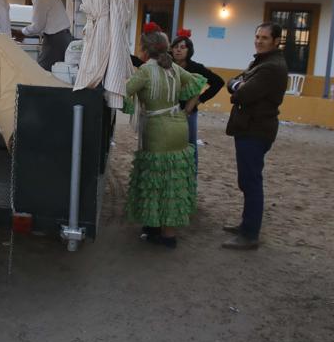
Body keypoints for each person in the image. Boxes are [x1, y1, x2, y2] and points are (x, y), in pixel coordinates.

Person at [123, 25, 207, 248]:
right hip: (179, 125)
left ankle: (152, 228)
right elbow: (198, 84)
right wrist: (187, 110)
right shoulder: (174, 69)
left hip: (157, 130)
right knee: (173, 180)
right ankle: (169, 235)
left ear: (144, 48)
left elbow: (123, 93)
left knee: (155, 180)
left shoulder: (145, 71)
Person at [222, 22, 288, 251]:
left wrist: (238, 87)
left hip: (256, 129)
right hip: (249, 127)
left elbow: (243, 93)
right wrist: (237, 85)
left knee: (251, 181)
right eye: (257, 36)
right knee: (247, 179)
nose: (259, 41)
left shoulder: (271, 67)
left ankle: (250, 234)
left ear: (276, 41)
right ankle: (246, 225)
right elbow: (233, 82)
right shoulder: (261, 62)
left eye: (265, 38)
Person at [170, 31, 225, 171]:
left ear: (189, 50)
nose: (178, 50)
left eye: (183, 47)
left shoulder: (196, 68)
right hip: (168, 112)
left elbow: (218, 82)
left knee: (190, 146)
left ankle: (191, 177)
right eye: (176, 46)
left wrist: (200, 99)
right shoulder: (166, 65)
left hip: (188, 113)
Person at [11, 0, 73, 70]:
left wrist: (21, 32)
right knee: (58, 72)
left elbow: (37, 27)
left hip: (55, 40)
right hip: (63, 36)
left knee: (41, 71)